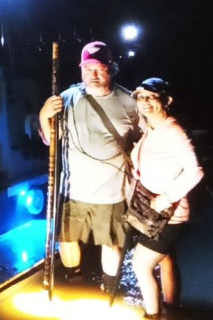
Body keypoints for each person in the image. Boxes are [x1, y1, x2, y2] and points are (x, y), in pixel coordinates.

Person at [37, 41, 139, 286]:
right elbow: (51, 141)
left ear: (110, 68)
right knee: (67, 238)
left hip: (113, 190)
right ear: (81, 68)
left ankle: (110, 289)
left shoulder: (130, 102)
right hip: (74, 190)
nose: (93, 74)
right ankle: (74, 281)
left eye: (100, 68)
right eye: (88, 67)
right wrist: (44, 114)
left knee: (111, 243)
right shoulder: (67, 98)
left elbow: (141, 141)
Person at [125, 77, 204, 319]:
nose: (145, 102)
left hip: (171, 214)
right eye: (141, 97)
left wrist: (166, 198)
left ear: (167, 101)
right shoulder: (151, 128)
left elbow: (196, 171)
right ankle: (172, 310)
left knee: (141, 264)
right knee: (166, 258)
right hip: (154, 212)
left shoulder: (173, 131)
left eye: (152, 97)